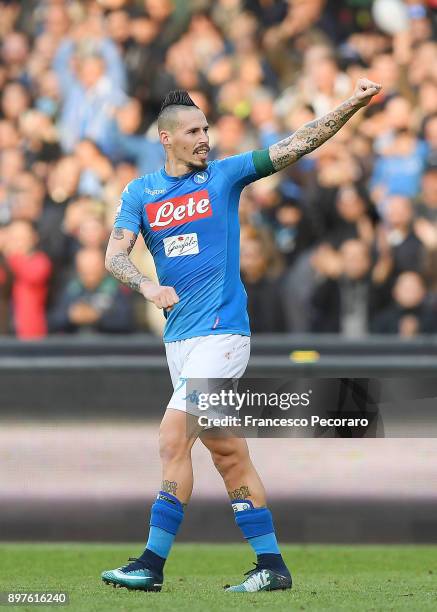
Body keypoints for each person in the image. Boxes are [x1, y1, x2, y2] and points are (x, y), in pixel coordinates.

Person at [102, 79, 382, 593]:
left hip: (222, 335)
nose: (204, 137)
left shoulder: (225, 176)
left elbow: (297, 144)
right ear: (166, 138)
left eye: (206, 128)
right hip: (180, 340)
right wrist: (146, 284)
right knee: (228, 454)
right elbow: (113, 256)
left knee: (171, 435)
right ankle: (272, 566)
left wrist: (351, 105)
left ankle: (151, 563)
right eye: (193, 130)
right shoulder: (140, 192)